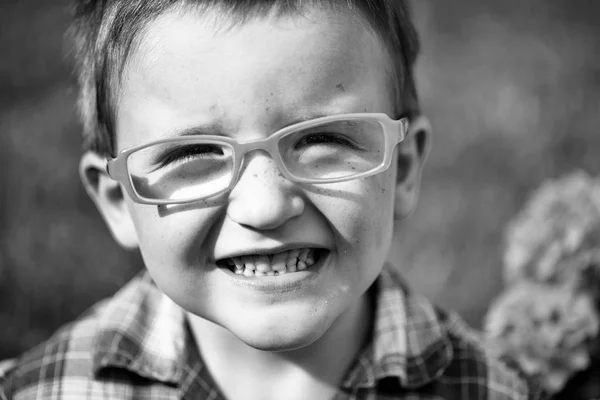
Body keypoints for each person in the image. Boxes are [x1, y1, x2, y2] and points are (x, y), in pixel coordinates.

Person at [0, 1, 545, 399]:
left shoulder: (492, 390)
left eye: (323, 140)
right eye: (193, 154)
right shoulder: (44, 390)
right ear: (119, 199)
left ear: (401, 167)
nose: (264, 207)